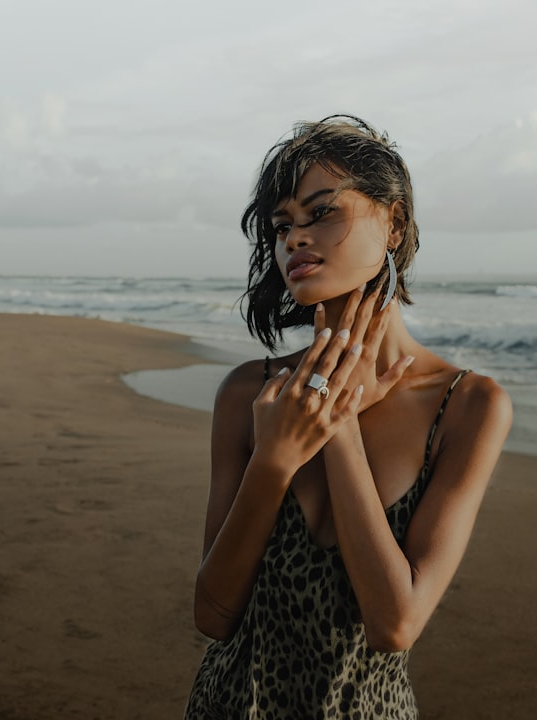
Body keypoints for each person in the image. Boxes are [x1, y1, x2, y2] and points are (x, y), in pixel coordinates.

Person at [185, 115, 512, 719]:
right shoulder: (249, 395)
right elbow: (212, 616)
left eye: (322, 213)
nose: (295, 239)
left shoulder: (468, 405)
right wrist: (275, 459)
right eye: (284, 224)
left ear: (394, 222)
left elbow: (395, 624)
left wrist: (336, 421)